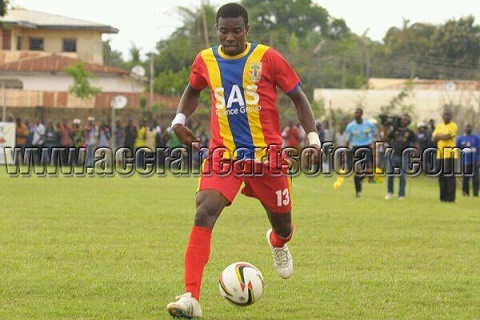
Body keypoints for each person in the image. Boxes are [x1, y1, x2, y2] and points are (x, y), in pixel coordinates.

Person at [165, 3, 319, 319]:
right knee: (204, 209)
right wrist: (179, 120)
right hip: (225, 156)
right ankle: (191, 298)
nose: (230, 37)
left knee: (284, 225)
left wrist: (313, 139)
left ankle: (277, 243)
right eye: (224, 31)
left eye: (236, 31)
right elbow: (192, 90)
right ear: (217, 29)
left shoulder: (267, 58)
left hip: (268, 159)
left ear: (246, 30)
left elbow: (298, 97)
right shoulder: (205, 60)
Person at [345, 108, 377, 197]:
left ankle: (366, 177)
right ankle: (358, 191)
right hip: (356, 148)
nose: (356, 114)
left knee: (368, 170)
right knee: (357, 171)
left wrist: (374, 143)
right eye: (355, 112)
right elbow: (348, 139)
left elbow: (376, 134)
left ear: (361, 114)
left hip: (367, 147)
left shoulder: (369, 124)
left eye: (358, 113)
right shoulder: (350, 126)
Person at [384, 115, 417, 199]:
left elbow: (415, 143)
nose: (403, 121)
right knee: (390, 174)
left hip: (404, 155)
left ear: (408, 122)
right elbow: (386, 139)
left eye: (406, 120)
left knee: (402, 175)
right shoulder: (395, 131)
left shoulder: (410, 132)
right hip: (393, 154)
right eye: (402, 120)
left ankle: (401, 194)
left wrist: (416, 154)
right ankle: (390, 192)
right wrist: (385, 127)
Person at [432, 109, 458, 202]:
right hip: (440, 154)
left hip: (450, 154)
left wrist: (440, 136)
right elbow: (433, 138)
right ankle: (443, 197)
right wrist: (440, 136)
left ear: (451, 116)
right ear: (442, 116)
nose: (446, 116)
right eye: (445, 114)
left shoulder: (453, 125)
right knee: (441, 176)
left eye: (448, 115)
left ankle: (450, 198)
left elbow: (448, 136)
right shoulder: (439, 126)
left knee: (449, 176)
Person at [456, 124, 480, 197]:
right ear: (464, 128)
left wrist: (479, 160)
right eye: (467, 127)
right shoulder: (460, 139)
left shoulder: (476, 138)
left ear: (472, 129)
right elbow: (457, 149)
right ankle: (466, 194)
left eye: (470, 127)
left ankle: (475, 193)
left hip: (474, 162)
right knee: (465, 179)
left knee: (475, 179)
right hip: (465, 162)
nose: (468, 128)